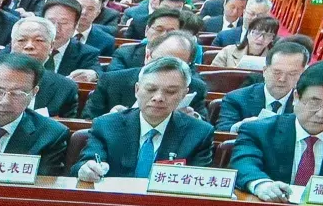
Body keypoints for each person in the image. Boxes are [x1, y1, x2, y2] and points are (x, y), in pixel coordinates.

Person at [232, 59, 323, 198]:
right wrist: (262, 185)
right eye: (314, 102)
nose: (321, 113)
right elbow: (244, 163)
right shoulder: (259, 131)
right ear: (296, 97)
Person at [72, 56, 216, 179]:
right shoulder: (106, 125)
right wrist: (86, 170)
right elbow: (85, 163)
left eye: (170, 91)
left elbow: (198, 184)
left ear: (184, 95)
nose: (158, 98)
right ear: (137, 90)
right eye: (151, 89)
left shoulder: (199, 133)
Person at [83, 31, 210, 118]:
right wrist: (108, 120)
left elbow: (205, 128)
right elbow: (88, 122)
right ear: (148, 56)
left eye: (177, 64)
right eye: (161, 61)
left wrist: (193, 118)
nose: (167, 69)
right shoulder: (112, 81)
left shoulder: (195, 87)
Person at [215, 37, 312, 130]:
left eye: (292, 74)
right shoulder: (237, 99)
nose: (282, 79)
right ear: (265, 71)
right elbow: (223, 131)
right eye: (277, 72)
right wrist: (241, 126)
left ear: (302, 75)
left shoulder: (308, 104)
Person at [1, 14, 81, 117]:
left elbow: (65, 129)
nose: (29, 46)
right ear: (12, 44)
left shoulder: (65, 88)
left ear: (51, 46)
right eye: (21, 40)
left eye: (38, 40)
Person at [208, 14, 282, 69]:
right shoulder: (228, 51)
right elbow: (213, 75)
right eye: (257, 33)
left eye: (267, 35)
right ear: (248, 34)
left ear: (273, 38)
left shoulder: (275, 59)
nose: (260, 39)